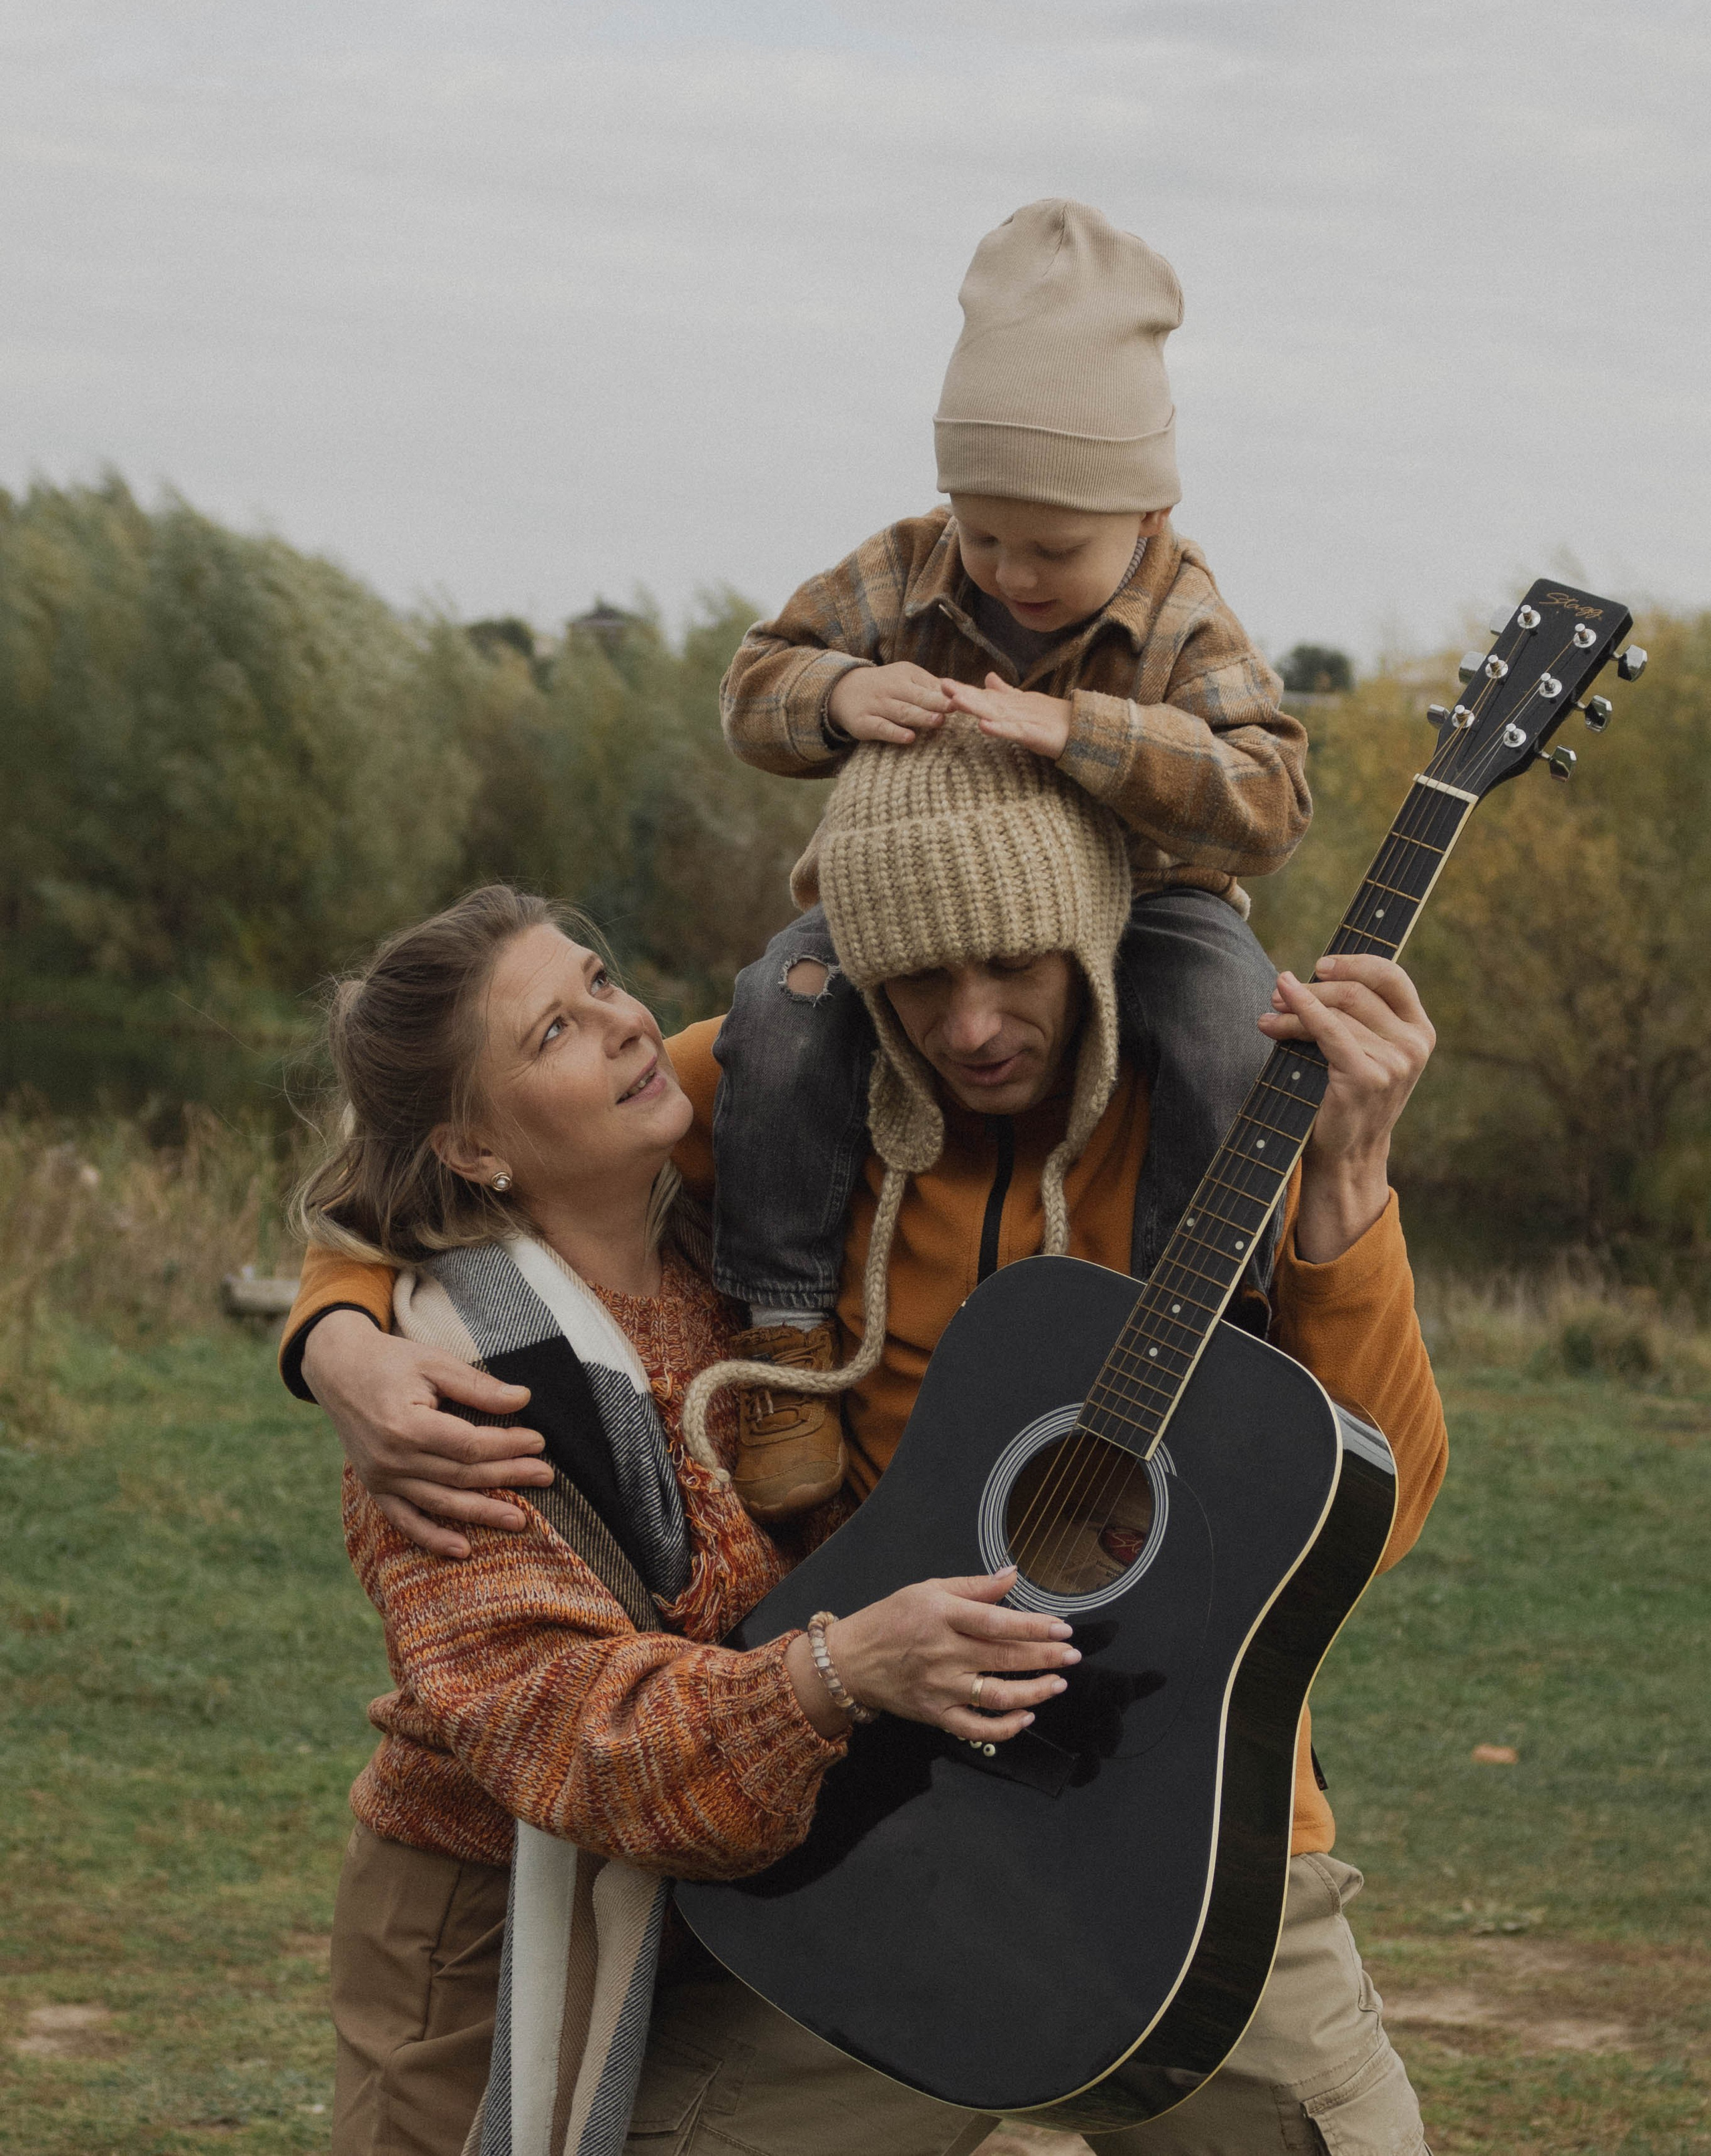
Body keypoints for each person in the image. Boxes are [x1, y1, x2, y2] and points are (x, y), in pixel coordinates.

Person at [286, 725, 1446, 2156]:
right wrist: (338, 1332)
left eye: (1012, 959)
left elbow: (1364, 1511)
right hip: (866, 1819)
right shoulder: (777, 1105)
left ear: (1092, 940)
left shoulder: (1228, 1103)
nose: (965, 1024)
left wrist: (1345, 1184)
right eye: (916, 976)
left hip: (1180, 1806)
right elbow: (428, 1210)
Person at [291, 883, 1078, 2156]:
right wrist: (841, 1670)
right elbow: (568, 1731)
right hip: (494, 1920)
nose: (622, 1023)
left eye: (599, 979)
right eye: (551, 1032)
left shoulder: (752, 1254)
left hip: (753, 1886)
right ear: (475, 1149)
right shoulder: (455, 1386)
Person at [708, 197, 1312, 1519]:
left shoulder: (1178, 611)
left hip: (1147, 903)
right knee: (777, 1011)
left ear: (1146, 509)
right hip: (919, 905)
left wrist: (1088, 733)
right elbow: (750, 681)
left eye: (1053, 548)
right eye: (985, 535)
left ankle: (1185, 1345)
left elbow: (1267, 794)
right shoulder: (906, 570)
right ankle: (787, 1336)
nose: (1013, 574)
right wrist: (831, 697)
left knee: (1230, 1036)